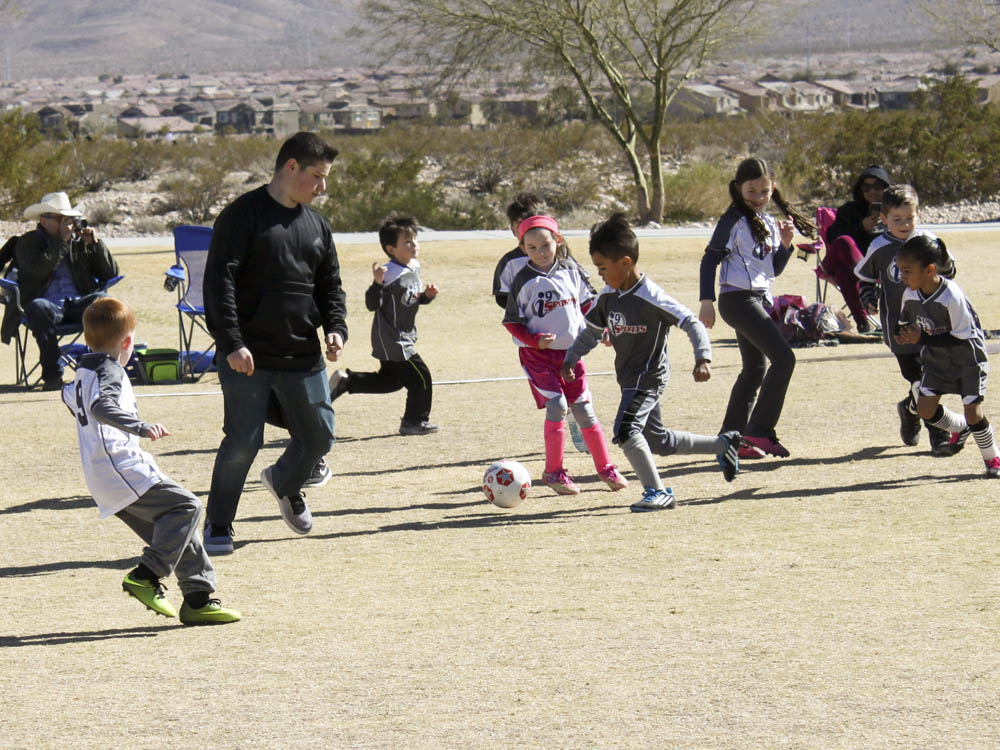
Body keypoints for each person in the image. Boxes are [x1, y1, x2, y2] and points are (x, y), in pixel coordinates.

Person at [202, 131, 347, 556]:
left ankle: (284, 482)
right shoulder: (242, 215)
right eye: (317, 176)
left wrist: (335, 327)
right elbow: (219, 283)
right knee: (243, 441)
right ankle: (219, 523)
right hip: (247, 355)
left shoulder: (317, 225)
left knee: (319, 437)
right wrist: (231, 342)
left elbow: (330, 286)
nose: (323, 187)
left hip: (302, 353)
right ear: (290, 168)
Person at [62, 297, 240, 625]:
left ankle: (198, 599)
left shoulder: (83, 370)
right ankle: (146, 575)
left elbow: (70, 399)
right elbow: (102, 408)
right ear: (127, 342)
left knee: (177, 529)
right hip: (120, 466)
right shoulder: (109, 369)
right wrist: (140, 427)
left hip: (102, 475)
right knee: (188, 507)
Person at [561, 213, 741, 512]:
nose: (601, 275)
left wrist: (703, 358)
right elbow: (590, 333)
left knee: (626, 429)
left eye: (603, 268)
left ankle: (658, 491)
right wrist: (571, 358)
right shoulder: (608, 297)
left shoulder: (650, 296)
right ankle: (724, 445)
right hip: (629, 380)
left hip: (649, 378)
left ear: (626, 263)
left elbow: (692, 322)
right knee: (657, 441)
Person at [698, 157, 816, 459]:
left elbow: (771, 270)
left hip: (756, 299)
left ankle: (731, 439)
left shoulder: (767, 222)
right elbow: (710, 259)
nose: (758, 198)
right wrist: (706, 301)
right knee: (784, 360)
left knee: (755, 369)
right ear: (738, 190)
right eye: (751, 192)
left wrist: (787, 245)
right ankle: (759, 431)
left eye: (764, 192)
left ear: (772, 188)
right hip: (737, 300)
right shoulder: (733, 220)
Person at [502, 214, 627, 496]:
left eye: (545, 245)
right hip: (538, 358)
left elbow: (588, 306)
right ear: (523, 248)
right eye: (532, 248)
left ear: (557, 240)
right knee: (557, 406)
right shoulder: (523, 280)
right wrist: (534, 340)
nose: (540, 252)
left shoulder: (571, 269)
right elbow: (511, 322)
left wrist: (603, 329)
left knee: (584, 410)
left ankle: (605, 467)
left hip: (571, 356)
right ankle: (554, 472)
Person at [854, 184, 963, 456]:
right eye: (897, 219)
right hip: (900, 331)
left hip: (933, 326)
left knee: (929, 383)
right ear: (884, 218)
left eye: (909, 218)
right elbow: (865, 277)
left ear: (918, 214)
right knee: (922, 383)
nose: (904, 224)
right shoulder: (879, 247)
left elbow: (949, 273)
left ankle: (910, 410)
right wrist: (868, 296)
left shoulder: (928, 242)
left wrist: (944, 258)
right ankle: (938, 435)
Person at [492, 193, 591, 455]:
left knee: (575, 388)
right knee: (553, 397)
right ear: (514, 229)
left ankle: (579, 426)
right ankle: (565, 422)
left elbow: (580, 292)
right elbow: (505, 300)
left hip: (567, 338)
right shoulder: (510, 262)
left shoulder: (563, 255)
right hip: (535, 342)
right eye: (520, 223)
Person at [894, 235, 999, 478]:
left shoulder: (951, 296)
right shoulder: (910, 294)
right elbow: (904, 323)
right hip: (936, 359)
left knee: (974, 413)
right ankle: (960, 428)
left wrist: (920, 338)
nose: (903, 277)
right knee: (926, 410)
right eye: (900, 270)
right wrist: (902, 333)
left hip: (967, 359)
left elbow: (961, 338)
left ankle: (993, 458)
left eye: (907, 271)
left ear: (930, 269)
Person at [326, 216, 439, 436]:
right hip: (393, 339)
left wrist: (426, 296)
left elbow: (411, 299)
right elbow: (371, 304)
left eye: (414, 239)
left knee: (392, 381)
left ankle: (348, 381)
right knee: (421, 378)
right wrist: (377, 284)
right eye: (407, 241)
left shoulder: (413, 266)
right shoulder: (389, 274)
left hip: (401, 337)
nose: (414, 244)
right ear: (391, 249)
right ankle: (414, 422)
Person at [1, 191, 119, 390]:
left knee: (103, 301)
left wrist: (95, 245)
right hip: (46, 307)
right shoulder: (27, 242)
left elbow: (110, 273)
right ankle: (53, 375)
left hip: (76, 304)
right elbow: (39, 270)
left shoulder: (78, 242)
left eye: (70, 219)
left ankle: (102, 371)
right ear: (44, 220)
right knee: (38, 307)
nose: (68, 224)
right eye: (61, 219)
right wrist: (61, 243)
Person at [822, 165, 891, 332]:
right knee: (844, 241)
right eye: (866, 187)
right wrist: (861, 226)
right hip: (839, 262)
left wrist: (890, 225)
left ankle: (862, 323)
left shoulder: (893, 212)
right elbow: (832, 237)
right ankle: (865, 276)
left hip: (871, 267)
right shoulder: (849, 210)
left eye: (877, 186)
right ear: (860, 189)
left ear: (886, 188)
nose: (872, 191)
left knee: (843, 272)